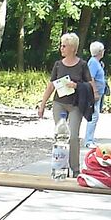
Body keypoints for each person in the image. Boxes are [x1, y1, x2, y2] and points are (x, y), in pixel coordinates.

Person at [37, 31, 93, 176]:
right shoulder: (58, 65)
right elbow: (51, 86)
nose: (61, 48)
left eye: (64, 46)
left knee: (73, 136)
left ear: (73, 48)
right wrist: (42, 105)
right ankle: (60, 167)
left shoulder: (82, 65)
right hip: (59, 103)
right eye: (61, 45)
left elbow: (91, 86)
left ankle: (75, 168)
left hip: (75, 104)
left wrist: (77, 85)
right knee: (60, 136)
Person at [83, 41, 107, 148]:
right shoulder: (93, 62)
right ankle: (88, 141)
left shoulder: (97, 62)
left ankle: (90, 139)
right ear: (100, 51)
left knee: (95, 116)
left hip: (99, 93)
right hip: (94, 93)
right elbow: (90, 78)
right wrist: (95, 91)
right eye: (102, 50)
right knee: (93, 116)